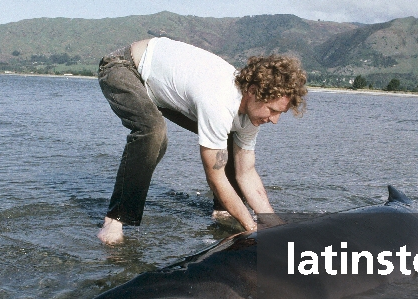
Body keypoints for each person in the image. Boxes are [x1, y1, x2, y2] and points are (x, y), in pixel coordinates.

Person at [96, 36, 307, 245]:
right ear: (253, 92)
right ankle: (116, 219)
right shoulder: (219, 101)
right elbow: (215, 177)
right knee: (153, 131)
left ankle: (224, 210)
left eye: (280, 113)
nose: (275, 120)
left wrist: (273, 225)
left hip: (162, 91)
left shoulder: (250, 115)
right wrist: (252, 228)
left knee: (230, 136)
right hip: (124, 68)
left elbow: (246, 172)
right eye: (272, 110)